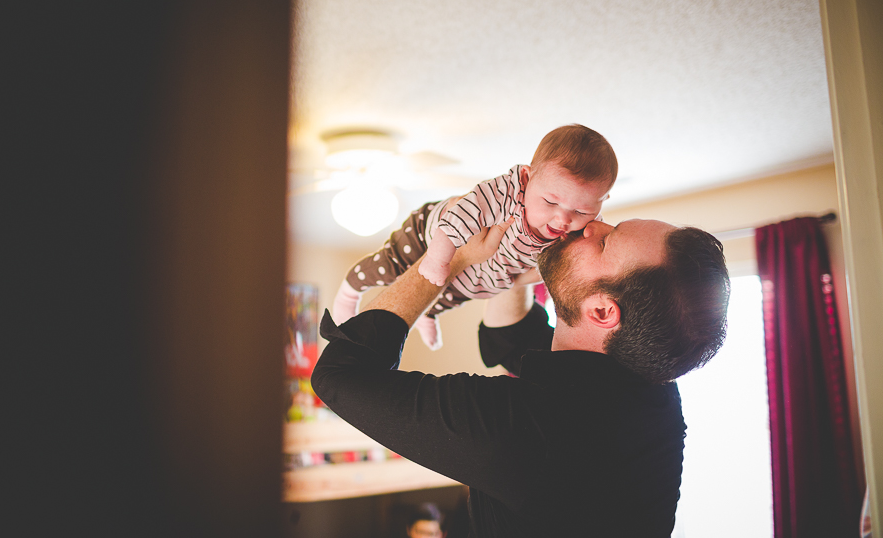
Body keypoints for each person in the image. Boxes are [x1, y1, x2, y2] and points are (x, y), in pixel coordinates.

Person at [312, 217, 730, 536]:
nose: (591, 224)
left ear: (602, 312)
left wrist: (449, 256)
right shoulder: (644, 383)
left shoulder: (537, 429)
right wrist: (512, 266)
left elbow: (340, 374)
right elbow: (510, 338)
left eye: (604, 242)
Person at [332, 124, 617, 350]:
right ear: (529, 179)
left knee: (444, 297)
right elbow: (460, 216)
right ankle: (350, 289)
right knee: (389, 267)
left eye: (581, 210)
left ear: (601, 202)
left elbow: (552, 269)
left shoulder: (582, 230)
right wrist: (436, 258)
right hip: (432, 237)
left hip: (477, 278)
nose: (563, 219)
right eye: (551, 202)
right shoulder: (507, 192)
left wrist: (516, 280)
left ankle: (428, 316)